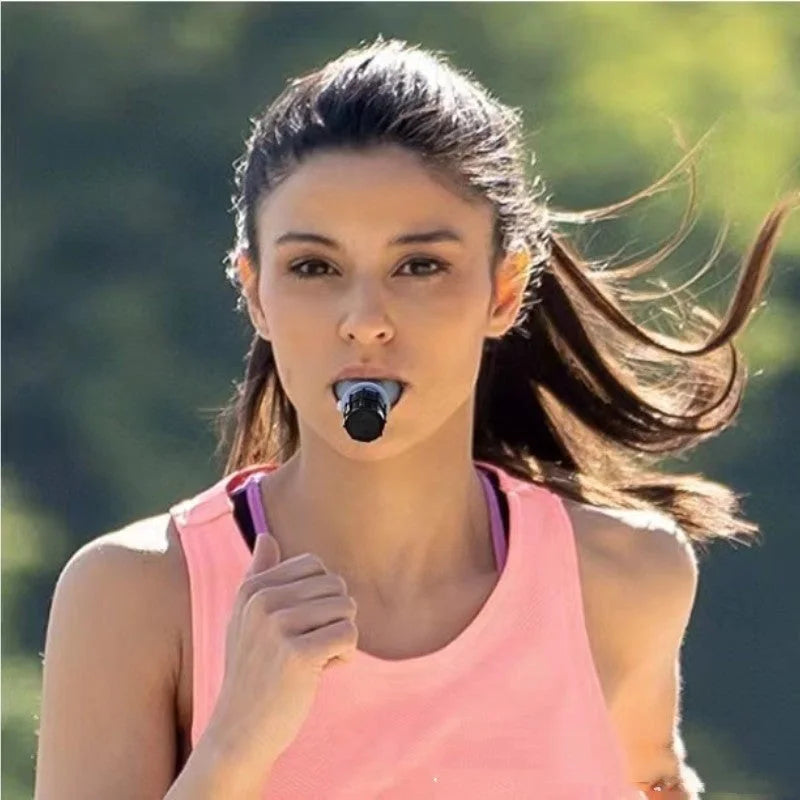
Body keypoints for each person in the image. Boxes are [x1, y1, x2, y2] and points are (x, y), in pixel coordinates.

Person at [34, 36, 798, 800]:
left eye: (420, 266)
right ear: (256, 292)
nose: (366, 321)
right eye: (314, 268)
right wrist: (236, 743)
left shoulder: (627, 580)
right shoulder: (132, 596)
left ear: (503, 292)